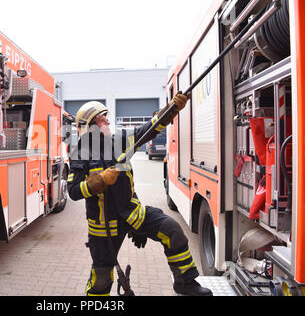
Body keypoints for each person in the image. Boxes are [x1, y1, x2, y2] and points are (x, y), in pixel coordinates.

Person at [67, 93, 212, 296]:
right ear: (90, 126)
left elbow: (148, 131)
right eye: (102, 119)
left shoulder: (120, 141)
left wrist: (171, 110)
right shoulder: (79, 152)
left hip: (133, 215)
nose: (108, 121)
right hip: (103, 227)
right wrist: (98, 181)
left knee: (172, 230)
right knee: (101, 279)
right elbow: (73, 191)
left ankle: (185, 284)